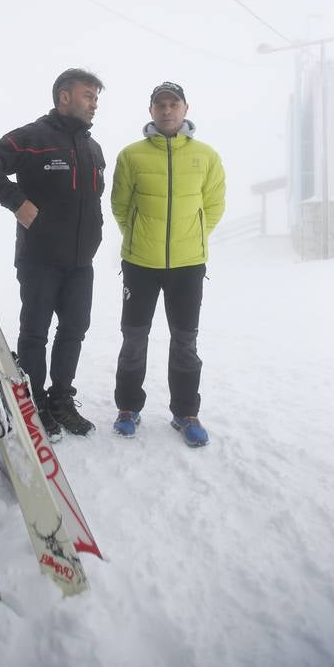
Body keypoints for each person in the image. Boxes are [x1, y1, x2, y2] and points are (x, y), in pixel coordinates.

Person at [0, 68, 105, 441]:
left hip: (81, 262)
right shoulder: (33, 137)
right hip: (40, 258)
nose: (94, 104)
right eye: (88, 96)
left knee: (75, 330)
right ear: (64, 96)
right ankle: (35, 404)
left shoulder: (93, 148)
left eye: (96, 97)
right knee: (35, 334)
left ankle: (61, 399)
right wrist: (16, 202)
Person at [110, 81, 225, 445]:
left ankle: (186, 413)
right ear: (151, 111)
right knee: (134, 339)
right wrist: (139, 236)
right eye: (160, 105)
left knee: (186, 341)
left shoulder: (206, 156)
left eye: (173, 104)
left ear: (185, 109)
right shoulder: (131, 155)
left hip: (188, 265)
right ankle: (128, 408)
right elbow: (120, 206)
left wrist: (192, 238)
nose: (167, 110)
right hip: (140, 264)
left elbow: (215, 205)